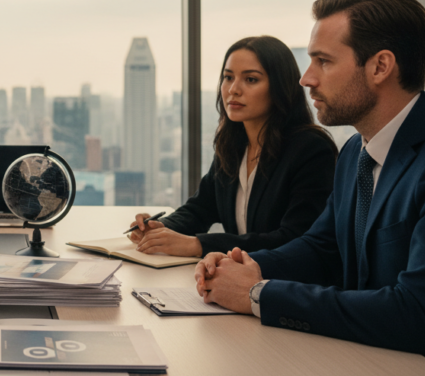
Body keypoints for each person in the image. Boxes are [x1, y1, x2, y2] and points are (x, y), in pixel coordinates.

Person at [194, 0, 425, 375]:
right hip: (359, 358)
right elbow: (322, 248)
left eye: (323, 61)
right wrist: (240, 264)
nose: (306, 79)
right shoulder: (356, 153)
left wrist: (258, 294)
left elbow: (420, 314)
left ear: (380, 67)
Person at [129, 36, 337, 257]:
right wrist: (161, 227)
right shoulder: (233, 145)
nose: (233, 90)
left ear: (280, 86)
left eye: (251, 80)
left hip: (284, 285)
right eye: (228, 77)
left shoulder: (311, 150)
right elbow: (200, 209)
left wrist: (199, 245)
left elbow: (294, 238)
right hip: (237, 280)